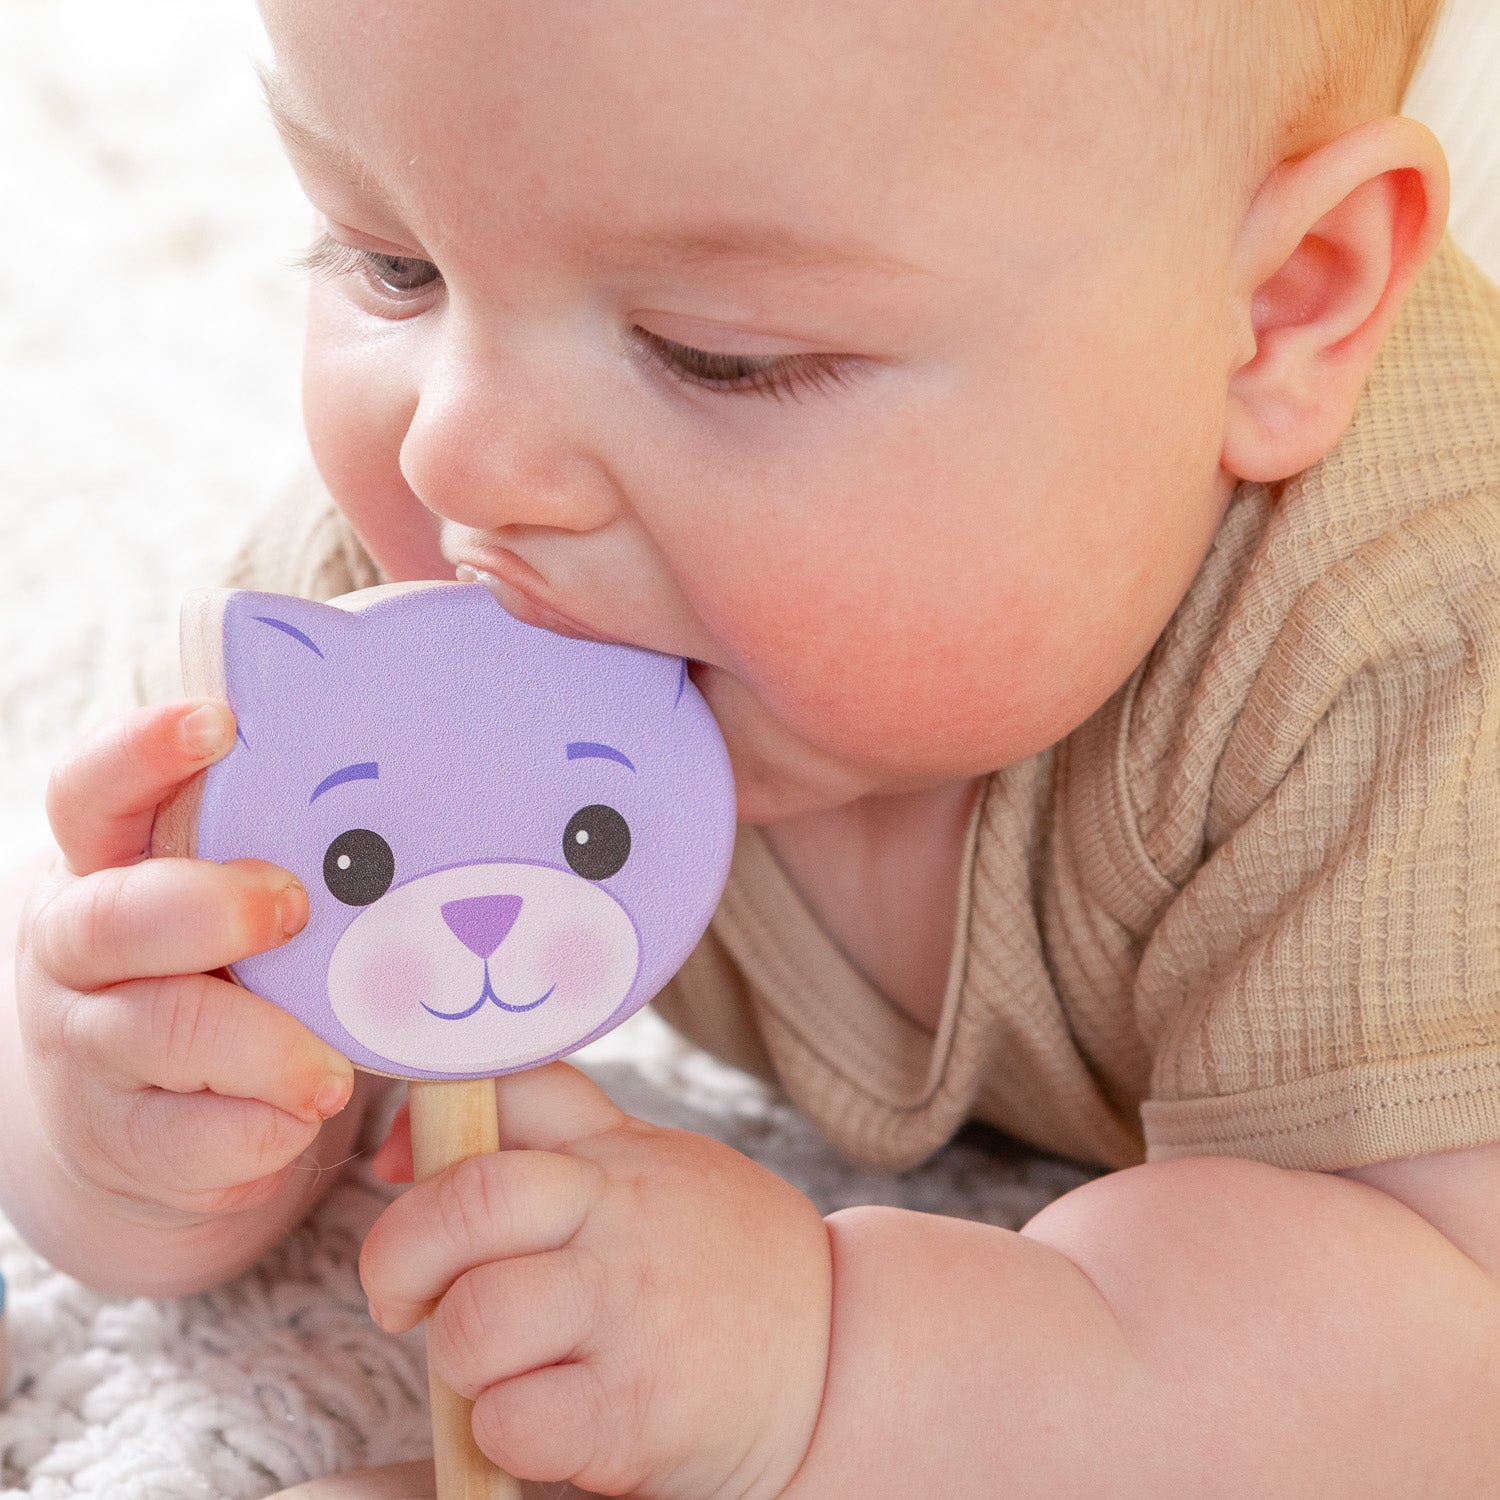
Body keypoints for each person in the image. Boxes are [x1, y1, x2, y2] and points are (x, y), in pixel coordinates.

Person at [4, 0, 1500, 1491]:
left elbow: (1441, 1370)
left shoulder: (1417, 645)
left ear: (1280, 309)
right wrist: (132, 1111)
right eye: (394, 262)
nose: (456, 455)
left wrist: (834, 1368)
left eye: (713, 355)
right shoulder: (413, 603)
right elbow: (159, 1116)